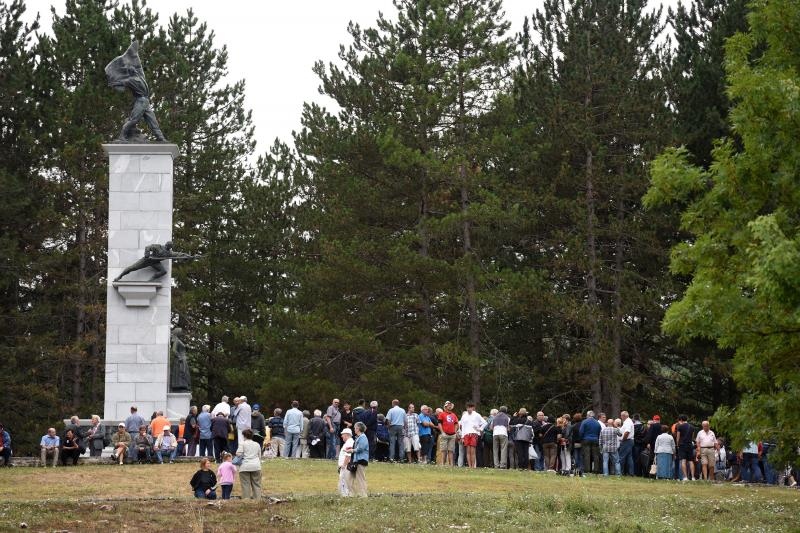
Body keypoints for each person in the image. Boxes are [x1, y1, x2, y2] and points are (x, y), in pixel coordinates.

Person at [236, 429, 262, 499]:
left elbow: (238, 454)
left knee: (245, 485)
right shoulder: (257, 444)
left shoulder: (242, 443)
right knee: (257, 485)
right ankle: (257, 501)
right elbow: (259, 456)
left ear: (244, 436)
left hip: (245, 466)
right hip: (256, 466)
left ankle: (246, 501)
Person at [459, 402, 485, 469]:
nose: (469, 409)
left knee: (472, 451)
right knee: (467, 451)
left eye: (470, 407)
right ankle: (470, 466)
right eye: (467, 408)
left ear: (473, 408)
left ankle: (473, 466)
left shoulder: (477, 415)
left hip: (474, 434)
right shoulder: (464, 416)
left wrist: (479, 429)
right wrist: (462, 437)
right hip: (466, 434)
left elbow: (485, 423)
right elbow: (463, 426)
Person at [437, 401, 459, 467]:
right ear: (445, 407)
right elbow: (439, 423)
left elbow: (456, 424)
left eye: (450, 405)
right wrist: (442, 432)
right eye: (448, 405)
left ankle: (451, 465)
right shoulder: (442, 414)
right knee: (443, 450)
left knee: (451, 450)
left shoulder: (454, 415)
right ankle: (443, 464)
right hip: (445, 434)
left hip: (452, 435)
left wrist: (455, 431)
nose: (449, 406)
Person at [579, 410, 602, 474]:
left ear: (588, 415)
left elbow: (581, 431)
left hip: (586, 439)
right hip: (595, 439)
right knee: (596, 455)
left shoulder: (584, 422)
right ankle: (596, 470)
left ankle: (587, 470)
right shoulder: (597, 423)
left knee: (587, 455)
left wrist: (582, 438)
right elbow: (599, 431)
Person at [675, 414, 696, 481]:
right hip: (690, 445)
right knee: (691, 461)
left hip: (682, 445)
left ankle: (685, 477)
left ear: (681, 420)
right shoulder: (692, 427)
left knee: (683, 461)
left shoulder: (680, 427)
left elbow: (678, 437)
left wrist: (677, 445)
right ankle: (692, 477)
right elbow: (692, 437)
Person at [351, 422, 369, 497]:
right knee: (356, 477)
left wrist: (352, 450)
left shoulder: (363, 437)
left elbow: (361, 448)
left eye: (355, 428)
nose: (354, 429)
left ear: (358, 428)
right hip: (357, 460)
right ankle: (356, 493)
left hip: (361, 460)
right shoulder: (359, 437)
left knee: (361, 478)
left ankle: (363, 494)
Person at [337, 427, 354, 496]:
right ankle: (345, 494)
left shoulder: (349, 443)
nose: (341, 436)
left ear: (347, 435)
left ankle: (345, 495)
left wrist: (343, 465)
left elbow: (348, 455)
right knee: (344, 480)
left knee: (344, 481)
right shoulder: (348, 442)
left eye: (343, 434)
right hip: (345, 465)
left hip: (346, 466)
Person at [618, 411, 635, 476]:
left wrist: (623, 439)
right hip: (629, 441)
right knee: (629, 457)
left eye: (621, 416)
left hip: (627, 441)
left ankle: (620, 472)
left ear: (623, 416)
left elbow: (627, 432)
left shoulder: (627, 422)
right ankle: (631, 473)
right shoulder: (628, 421)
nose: (621, 417)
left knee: (621, 456)